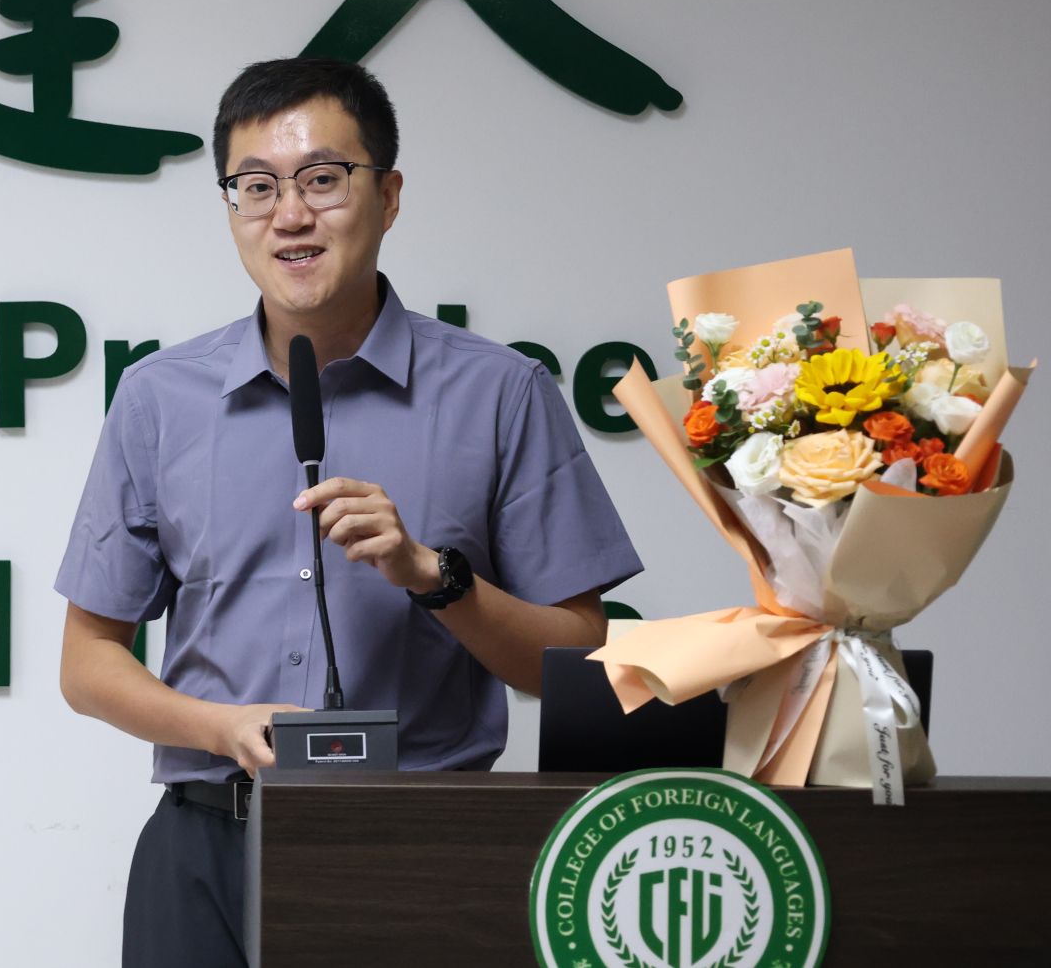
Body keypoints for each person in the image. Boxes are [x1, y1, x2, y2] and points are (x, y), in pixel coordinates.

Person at [54, 57, 642, 967]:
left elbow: (581, 660)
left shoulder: (501, 392)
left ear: (389, 196)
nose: (290, 214)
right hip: (204, 850)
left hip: (423, 853)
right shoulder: (159, 397)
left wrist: (432, 576)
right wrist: (221, 727)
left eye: (322, 179)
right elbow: (87, 661)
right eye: (257, 186)